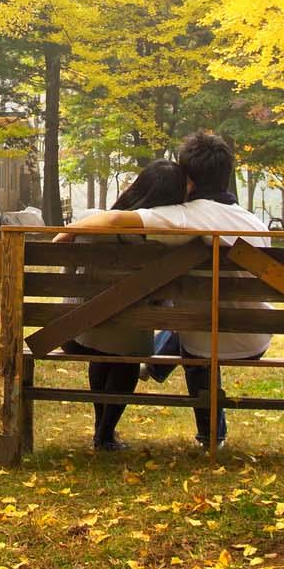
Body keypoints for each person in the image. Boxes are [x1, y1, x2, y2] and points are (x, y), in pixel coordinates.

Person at [63, 130, 272, 448]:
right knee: (203, 322)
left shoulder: (178, 219)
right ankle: (209, 436)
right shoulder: (256, 224)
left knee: (198, 333)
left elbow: (116, 218)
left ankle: (171, 383)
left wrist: (66, 231)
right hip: (254, 338)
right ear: (227, 174)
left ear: (189, 178)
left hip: (201, 341)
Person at [71, 160, 190, 450]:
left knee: (105, 344)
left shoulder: (91, 219)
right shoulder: (162, 240)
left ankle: (103, 431)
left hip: (74, 332)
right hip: (127, 339)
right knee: (126, 348)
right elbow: (164, 298)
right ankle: (105, 433)